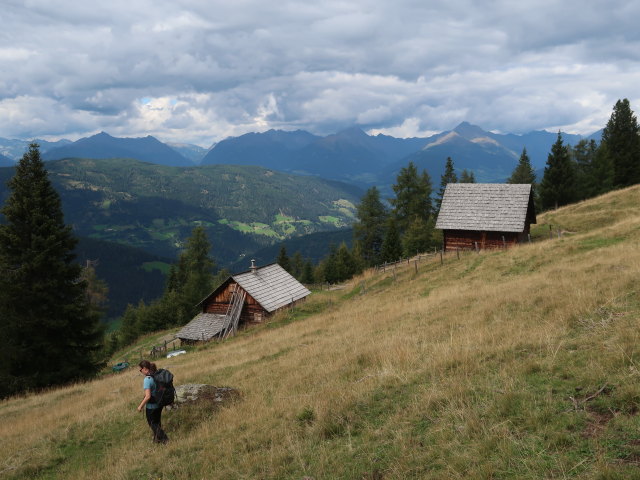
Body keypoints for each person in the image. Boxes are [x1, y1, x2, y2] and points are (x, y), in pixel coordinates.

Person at [137, 360, 169, 444]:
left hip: (151, 407)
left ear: (144, 369)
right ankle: (157, 440)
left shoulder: (147, 379)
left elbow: (148, 396)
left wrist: (140, 406)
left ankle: (165, 439)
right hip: (159, 404)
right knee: (157, 422)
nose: (140, 372)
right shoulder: (156, 375)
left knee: (153, 424)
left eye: (140, 370)